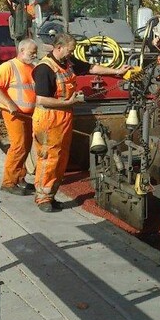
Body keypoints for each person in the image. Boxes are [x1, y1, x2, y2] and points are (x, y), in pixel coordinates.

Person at [31, 32, 130, 212]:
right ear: (58, 47)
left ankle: (51, 195)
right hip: (48, 118)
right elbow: (41, 100)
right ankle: (42, 197)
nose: (72, 54)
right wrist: (68, 102)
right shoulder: (44, 69)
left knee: (61, 158)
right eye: (69, 50)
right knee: (49, 157)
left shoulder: (67, 63)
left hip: (64, 116)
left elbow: (91, 68)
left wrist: (117, 71)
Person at [0, 39, 38, 195]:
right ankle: (8, 182)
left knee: (26, 146)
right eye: (32, 52)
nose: (35, 55)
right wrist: (9, 104)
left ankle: (19, 178)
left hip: (29, 114)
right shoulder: (8, 67)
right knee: (19, 146)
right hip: (14, 114)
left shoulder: (33, 68)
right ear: (22, 50)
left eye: (35, 52)